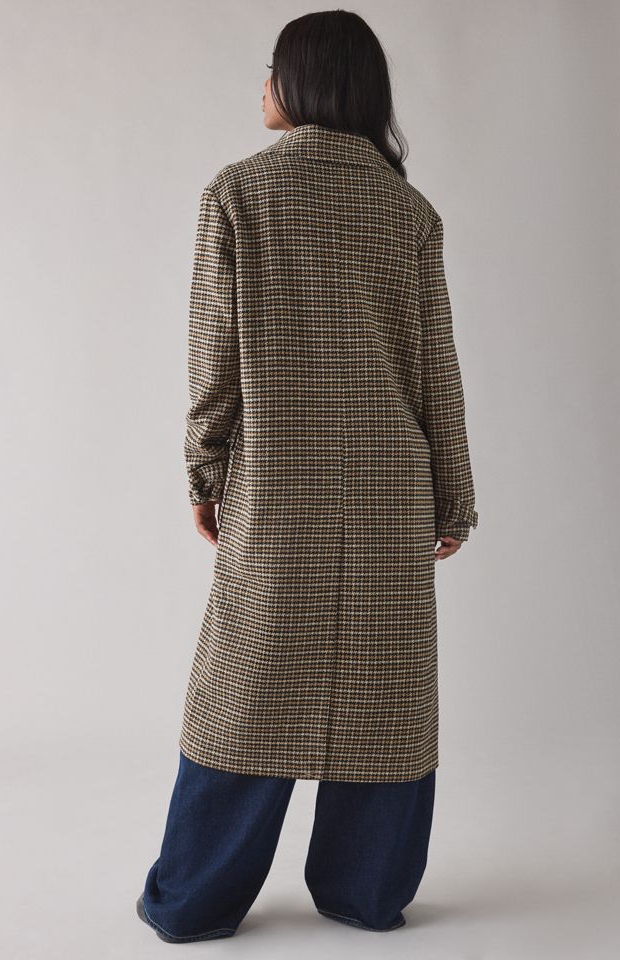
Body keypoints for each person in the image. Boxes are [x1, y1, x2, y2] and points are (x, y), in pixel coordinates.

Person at [137, 9, 478, 943]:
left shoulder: (238, 193)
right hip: (391, 491)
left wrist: (204, 471)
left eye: (272, 69)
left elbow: (214, 359)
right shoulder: (408, 211)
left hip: (278, 486)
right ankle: (365, 893)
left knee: (247, 687)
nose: (261, 86)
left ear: (306, 82)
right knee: (385, 691)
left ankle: (195, 900)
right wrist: (454, 495)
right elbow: (435, 371)